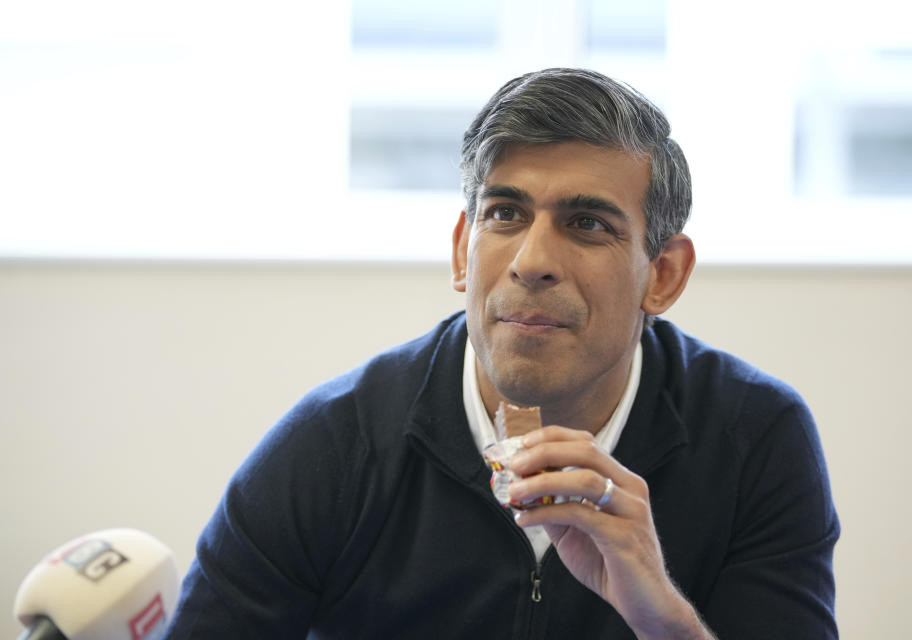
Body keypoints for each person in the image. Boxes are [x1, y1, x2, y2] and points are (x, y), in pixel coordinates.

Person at [165, 68, 839, 639]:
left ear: (662, 275)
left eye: (587, 224)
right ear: (463, 250)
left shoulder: (754, 437)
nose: (532, 261)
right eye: (505, 214)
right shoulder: (333, 445)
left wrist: (660, 617)